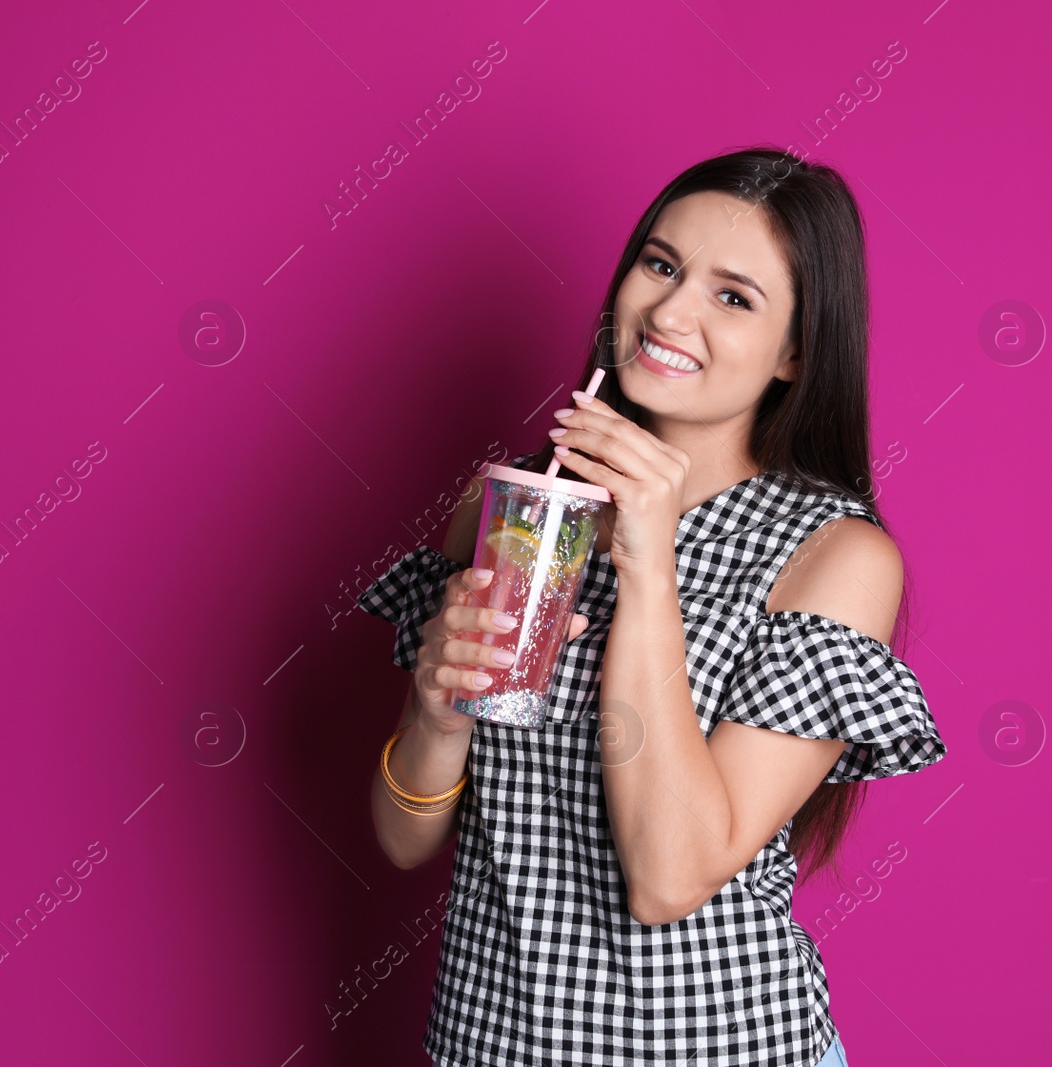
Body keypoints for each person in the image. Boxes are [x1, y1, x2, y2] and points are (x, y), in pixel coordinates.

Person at [357, 146, 947, 1067]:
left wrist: (651, 565)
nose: (670, 312)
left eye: (734, 296)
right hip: (487, 1043)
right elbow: (402, 839)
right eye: (661, 265)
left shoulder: (832, 556)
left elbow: (670, 877)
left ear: (796, 351)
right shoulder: (506, 511)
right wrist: (436, 709)